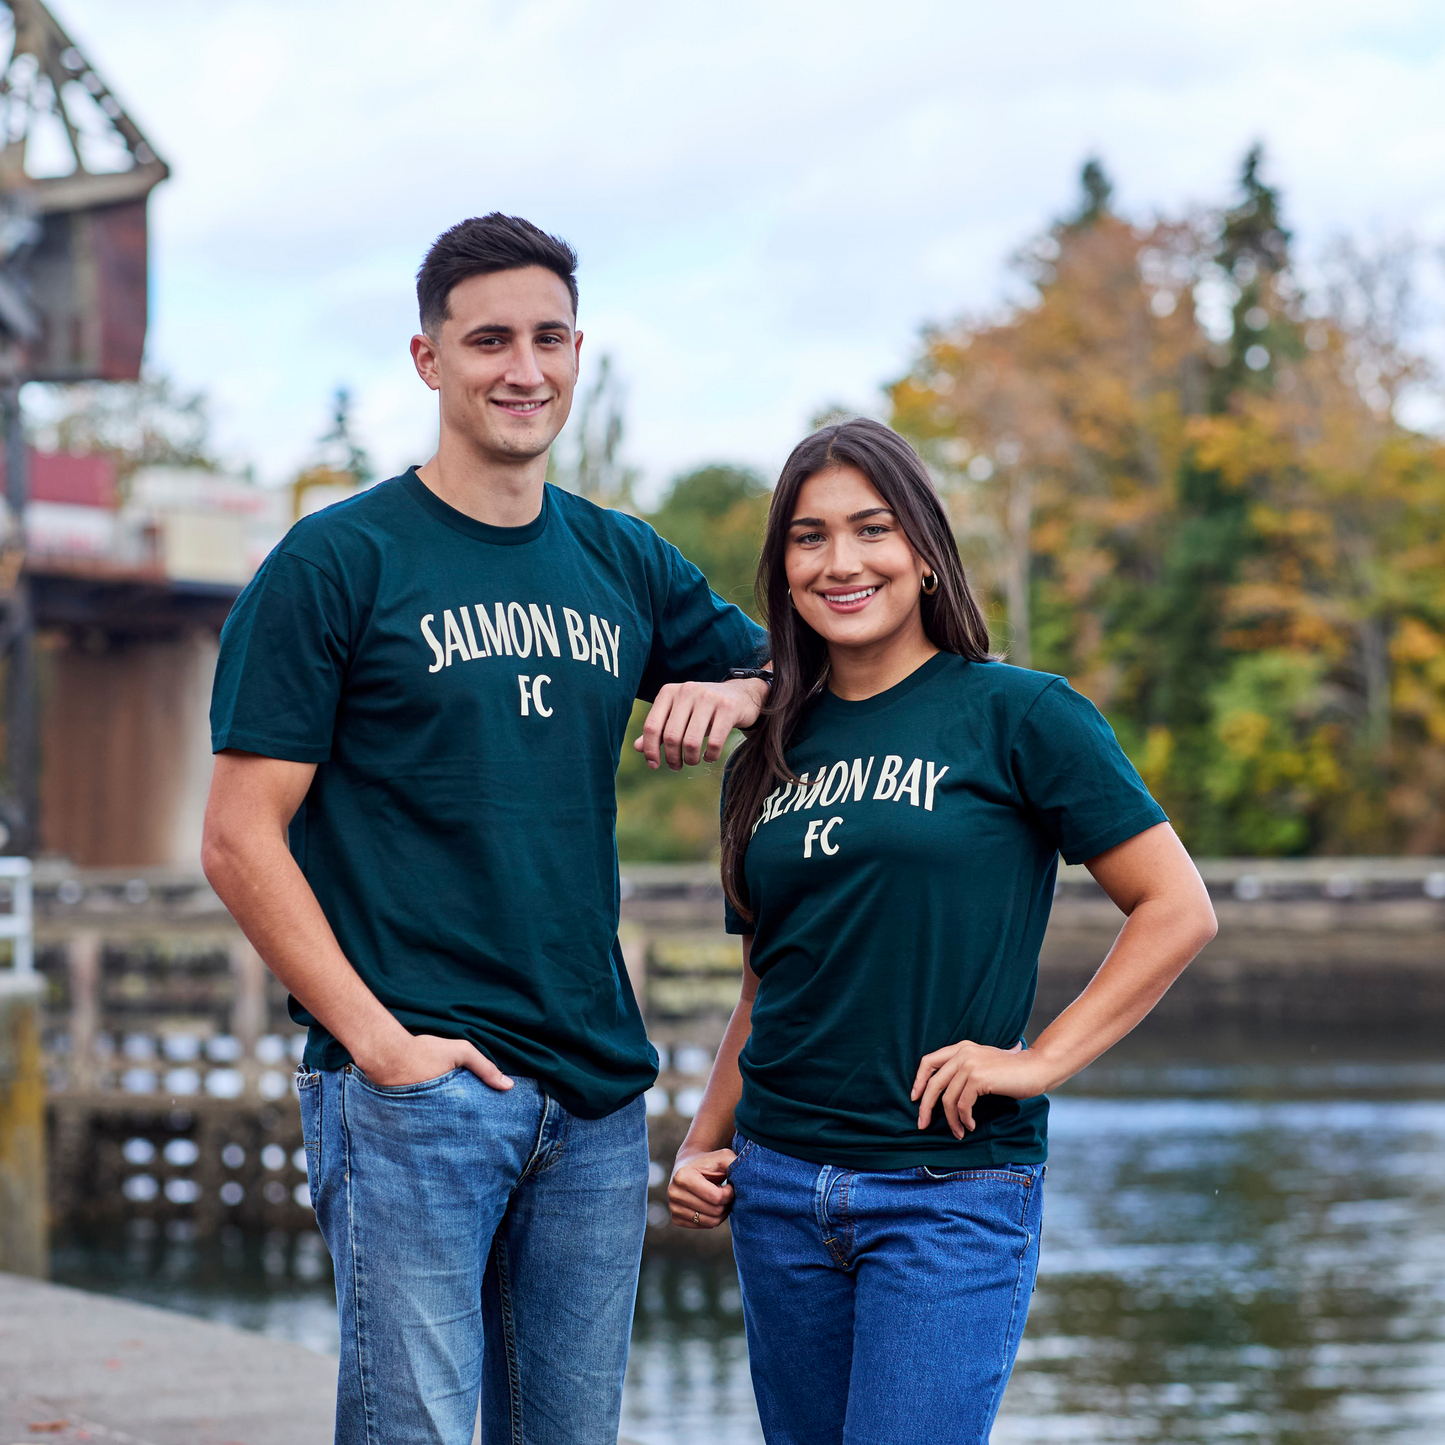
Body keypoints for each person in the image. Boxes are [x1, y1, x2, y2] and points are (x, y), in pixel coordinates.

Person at [201, 213, 769, 1445]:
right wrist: (379, 1046)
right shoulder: (336, 561)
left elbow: (803, 676)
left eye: (549, 337)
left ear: (578, 353)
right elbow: (241, 837)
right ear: (428, 359)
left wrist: (734, 686)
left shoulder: (621, 558)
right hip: (417, 1091)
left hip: (595, 1096)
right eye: (490, 339)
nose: (524, 367)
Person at [667, 418, 1218, 1445]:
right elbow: (766, 981)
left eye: (869, 529)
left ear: (922, 552)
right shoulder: (767, 755)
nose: (839, 561)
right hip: (779, 1186)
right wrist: (702, 1145)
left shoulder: (1019, 714)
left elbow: (1175, 906)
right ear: (781, 569)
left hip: (946, 1192)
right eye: (807, 536)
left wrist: (1039, 1057)